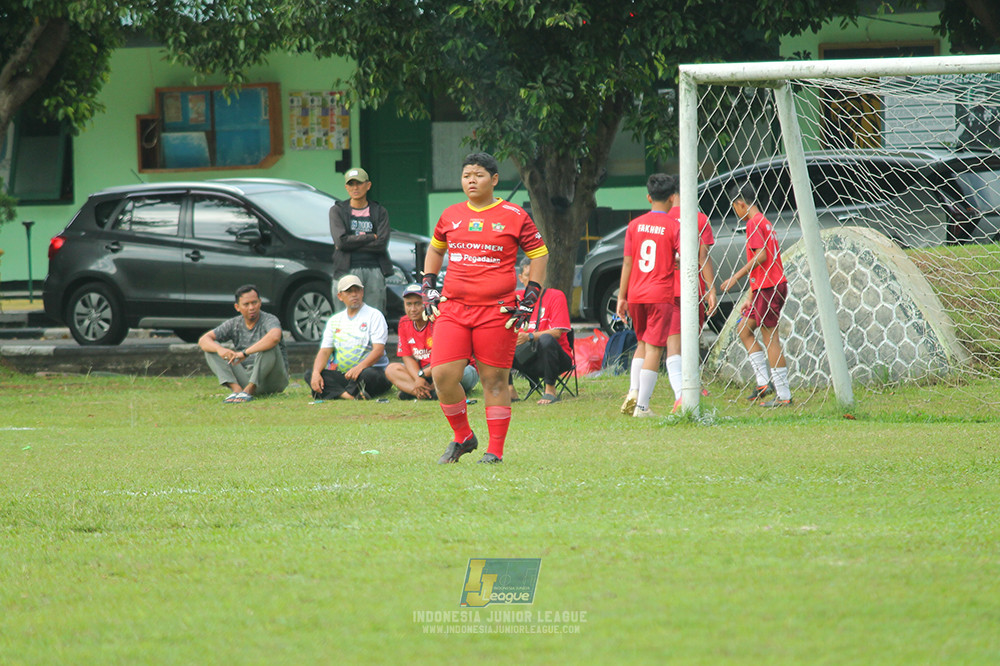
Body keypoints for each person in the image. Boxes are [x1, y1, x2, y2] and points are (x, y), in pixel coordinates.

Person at [422, 152, 549, 464]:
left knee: (494, 380)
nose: (471, 181)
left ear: (494, 180)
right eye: (467, 175)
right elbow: (435, 250)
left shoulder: (514, 215)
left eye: (478, 175)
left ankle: (495, 451)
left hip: (497, 311)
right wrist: (428, 285)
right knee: (443, 376)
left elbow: (539, 254)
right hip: (453, 308)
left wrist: (531, 296)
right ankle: (463, 437)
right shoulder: (450, 214)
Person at [719, 182, 792, 407]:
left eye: (734, 208)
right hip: (764, 287)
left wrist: (735, 277)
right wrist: (750, 297)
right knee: (744, 329)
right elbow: (765, 262)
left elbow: (761, 256)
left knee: (771, 338)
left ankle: (784, 396)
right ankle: (763, 383)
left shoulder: (753, 223)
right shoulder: (764, 222)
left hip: (770, 288)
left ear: (741, 204)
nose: (736, 213)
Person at [616, 174, 680, 418]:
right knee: (655, 348)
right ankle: (642, 407)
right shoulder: (674, 226)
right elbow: (685, 256)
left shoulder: (635, 225)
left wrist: (621, 297)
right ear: (672, 198)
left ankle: (633, 390)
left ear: (648, 197)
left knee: (642, 342)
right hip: (659, 294)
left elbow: (628, 262)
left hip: (635, 293)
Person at [662, 178, 718, 412]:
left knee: (673, 344)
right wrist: (711, 290)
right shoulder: (700, 219)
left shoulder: (662, 220)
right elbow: (703, 257)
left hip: (667, 289)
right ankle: (687, 391)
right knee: (691, 339)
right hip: (694, 288)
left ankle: (683, 391)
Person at [305, 274, 392, 400]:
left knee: (368, 375)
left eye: (357, 290)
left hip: (369, 371)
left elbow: (378, 350)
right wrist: (316, 373)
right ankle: (350, 395)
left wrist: (359, 368)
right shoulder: (335, 320)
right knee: (310, 374)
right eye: (349, 291)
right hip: (345, 374)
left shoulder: (374, 316)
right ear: (340, 296)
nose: (354, 295)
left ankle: (334, 392)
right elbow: (325, 351)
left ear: (362, 292)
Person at [385, 284, 479, 400]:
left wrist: (422, 375)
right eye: (409, 304)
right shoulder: (404, 322)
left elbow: (452, 358)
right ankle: (425, 393)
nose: (413, 309)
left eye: (417, 304)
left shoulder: (440, 320)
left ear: (427, 304)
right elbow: (407, 356)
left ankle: (418, 391)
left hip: (454, 367)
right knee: (392, 369)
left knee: (453, 372)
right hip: (425, 372)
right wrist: (418, 378)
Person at [199, 284, 289, 403]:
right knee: (211, 349)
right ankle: (236, 390)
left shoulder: (270, 319)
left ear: (260, 302)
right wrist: (220, 350)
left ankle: (249, 390)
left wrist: (245, 353)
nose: (251, 307)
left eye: (254, 303)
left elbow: (274, 337)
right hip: (246, 377)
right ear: (237, 307)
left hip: (272, 380)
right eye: (246, 304)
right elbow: (203, 340)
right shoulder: (234, 323)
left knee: (269, 345)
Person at [508, 257, 573, 405]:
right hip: (525, 357)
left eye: (536, 274)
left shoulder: (556, 296)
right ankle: (509, 390)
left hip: (556, 358)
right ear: (521, 278)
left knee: (546, 339)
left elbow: (557, 333)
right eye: (528, 275)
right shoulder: (515, 298)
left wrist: (529, 336)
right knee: (494, 337)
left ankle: (550, 390)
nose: (533, 280)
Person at [330, 167, 392, 314]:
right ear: (346, 187)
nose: (355, 188)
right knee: (345, 317)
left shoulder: (379, 211)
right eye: (351, 184)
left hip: (374, 270)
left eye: (359, 183)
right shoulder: (337, 210)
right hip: (346, 270)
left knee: (374, 316)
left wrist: (350, 243)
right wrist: (370, 237)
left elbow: (381, 244)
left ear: (368, 185)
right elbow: (341, 242)